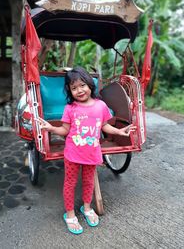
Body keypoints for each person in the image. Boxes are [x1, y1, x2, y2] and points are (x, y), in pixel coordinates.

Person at [36, 66, 136, 235]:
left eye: (82, 85)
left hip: (92, 154)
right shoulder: (70, 108)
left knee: (89, 182)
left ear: (90, 84)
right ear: (69, 90)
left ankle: (87, 207)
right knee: (70, 183)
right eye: (74, 88)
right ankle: (69, 214)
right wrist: (50, 128)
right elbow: (65, 131)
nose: (79, 90)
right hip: (72, 154)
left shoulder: (101, 106)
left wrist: (119, 131)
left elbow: (104, 126)